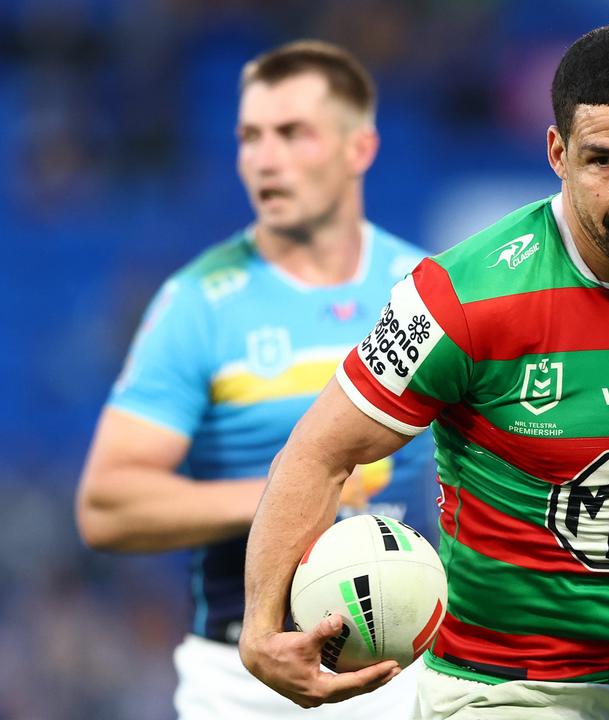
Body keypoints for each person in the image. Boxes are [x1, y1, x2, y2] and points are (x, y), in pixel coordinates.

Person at [238, 22, 609, 720]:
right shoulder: (459, 298)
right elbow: (320, 451)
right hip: (496, 686)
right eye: (603, 161)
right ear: (557, 154)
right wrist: (261, 627)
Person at [75, 40, 436, 719]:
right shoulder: (201, 302)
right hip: (243, 681)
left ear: (359, 148)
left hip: (411, 673)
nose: (265, 157)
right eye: (250, 136)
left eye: (292, 133)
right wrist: (292, 492)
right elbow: (106, 505)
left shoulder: (422, 293)